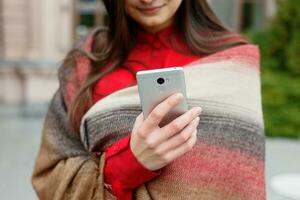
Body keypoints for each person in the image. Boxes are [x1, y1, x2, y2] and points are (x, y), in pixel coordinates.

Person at [32, 0, 265, 200]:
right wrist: (129, 163)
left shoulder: (235, 63)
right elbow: (50, 171)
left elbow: (243, 172)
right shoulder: (88, 62)